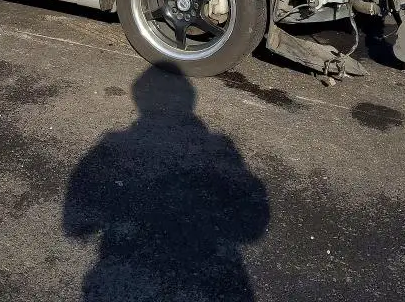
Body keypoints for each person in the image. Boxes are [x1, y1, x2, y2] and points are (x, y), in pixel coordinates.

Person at [62, 67, 270, 301]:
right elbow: (252, 227)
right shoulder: (222, 149)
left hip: (129, 275)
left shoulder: (109, 148)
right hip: (212, 281)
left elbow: (73, 224)